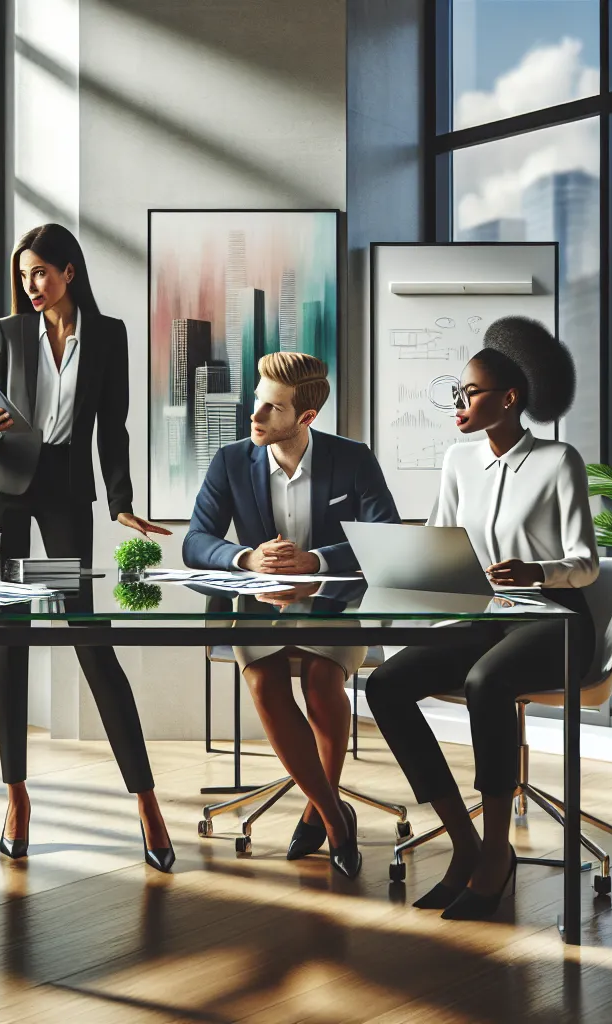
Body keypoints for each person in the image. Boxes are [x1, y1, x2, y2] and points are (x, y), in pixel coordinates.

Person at [365, 316, 599, 920]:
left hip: (554, 619)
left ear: (509, 398)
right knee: (387, 684)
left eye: (469, 393)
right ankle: (463, 843)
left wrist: (537, 572)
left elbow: (587, 565)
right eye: (458, 394)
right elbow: (444, 542)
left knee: (485, 682)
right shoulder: (458, 460)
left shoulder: (557, 460)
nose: (459, 403)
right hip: (486, 618)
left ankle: (497, 852)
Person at [0, 223, 177, 871]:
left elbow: (112, 429)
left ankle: (145, 800)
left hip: (62, 493)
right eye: (23, 274)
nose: (31, 286)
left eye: (41, 273)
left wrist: (121, 502)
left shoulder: (108, 336)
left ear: (70, 272)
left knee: (87, 633)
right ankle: (15, 795)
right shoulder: (9, 332)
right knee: (7, 636)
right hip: (1, 493)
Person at [182, 352, 400, 877]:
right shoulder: (232, 460)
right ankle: (335, 817)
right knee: (264, 682)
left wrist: (317, 563)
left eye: (270, 409)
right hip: (258, 604)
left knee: (324, 683)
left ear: (305, 417)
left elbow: (386, 537)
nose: (254, 417)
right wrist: (246, 557)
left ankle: (314, 810)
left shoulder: (353, 459)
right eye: (257, 401)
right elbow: (196, 541)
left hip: (332, 601)